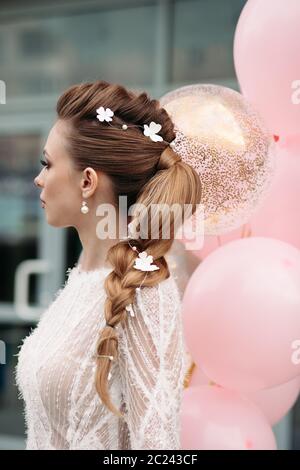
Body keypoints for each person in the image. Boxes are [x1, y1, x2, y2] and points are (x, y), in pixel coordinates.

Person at [15, 80, 202, 450]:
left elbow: (157, 448)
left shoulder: (146, 292)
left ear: (87, 181)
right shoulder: (83, 276)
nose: (38, 179)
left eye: (47, 164)